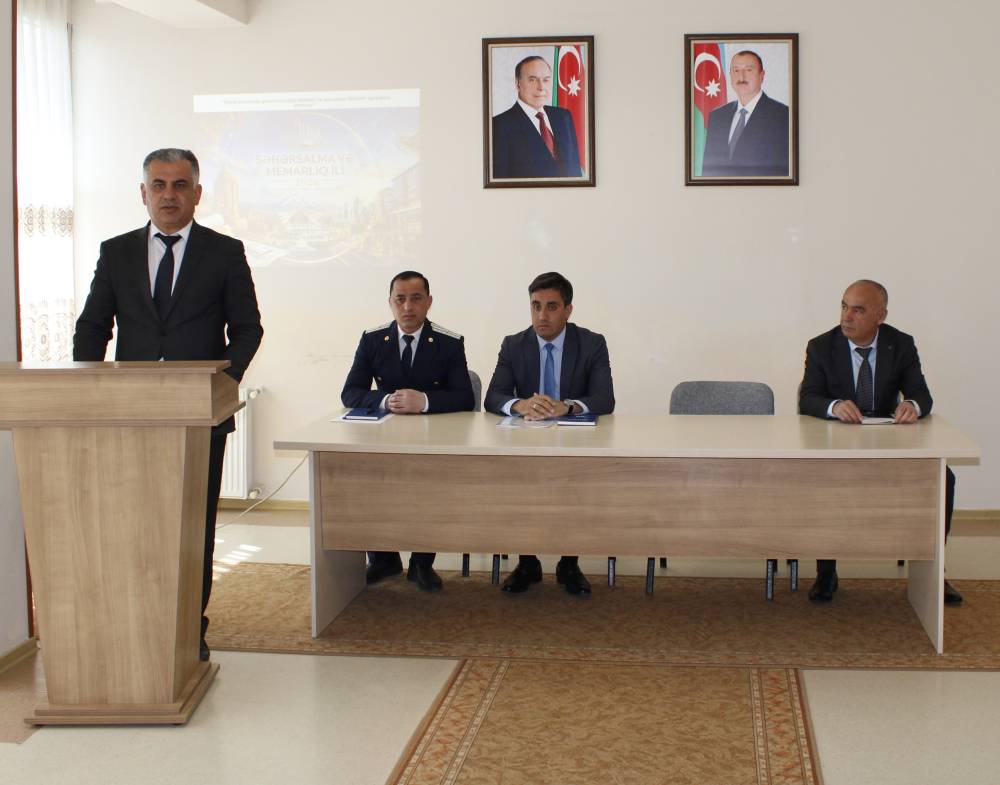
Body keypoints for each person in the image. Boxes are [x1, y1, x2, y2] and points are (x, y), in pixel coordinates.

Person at [73, 148, 264, 661]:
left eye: (180, 185)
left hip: (200, 418)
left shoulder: (224, 253)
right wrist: (86, 390)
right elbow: (93, 327)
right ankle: (137, 622)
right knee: (134, 525)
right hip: (129, 417)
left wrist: (220, 384)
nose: (168, 195)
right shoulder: (116, 252)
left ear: (197, 194)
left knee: (192, 528)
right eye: (158, 185)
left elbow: (248, 329)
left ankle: (187, 629)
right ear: (143, 193)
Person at [799, 279, 961, 604]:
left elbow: (921, 395)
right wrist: (834, 406)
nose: (846, 316)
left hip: (888, 441)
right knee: (822, 479)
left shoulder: (900, 344)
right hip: (837, 444)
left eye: (858, 310)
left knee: (942, 477)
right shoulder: (821, 346)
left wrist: (911, 405)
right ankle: (826, 571)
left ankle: (934, 572)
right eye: (844, 306)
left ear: (880, 316)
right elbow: (808, 398)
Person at [342, 271, 475, 591]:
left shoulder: (448, 343)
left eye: (416, 299)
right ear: (390, 303)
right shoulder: (373, 339)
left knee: (429, 489)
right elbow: (350, 392)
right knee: (367, 482)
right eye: (400, 299)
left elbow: (465, 397)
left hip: (433, 442)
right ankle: (383, 559)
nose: (407, 307)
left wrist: (424, 401)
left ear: (429, 302)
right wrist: (385, 400)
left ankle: (421, 563)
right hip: (383, 440)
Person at [485, 272, 615, 595]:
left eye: (552, 307)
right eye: (536, 306)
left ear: (568, 310)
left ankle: (569, 564)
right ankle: (527, 563)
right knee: (518, 485)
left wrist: (567, 407)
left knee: (576, 485)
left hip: (574, 443)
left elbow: (605, 399)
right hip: (527, 442)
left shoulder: (592, 343)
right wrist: (520, 405)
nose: (542, 315)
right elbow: (493, 396)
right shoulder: (514, 345)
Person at [491, 55, 582, 179]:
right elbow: (501, 182)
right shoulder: (499, 125)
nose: (541, 87)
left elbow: (575, 171)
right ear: (518, 84)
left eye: (546, 80)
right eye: (532, 80)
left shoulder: (563, 117)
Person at [701, 50, 789, 177]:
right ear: (730, 75)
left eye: (748, 70)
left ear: (762, 75)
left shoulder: (783, 116)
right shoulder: (717, 116)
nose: (741, 77)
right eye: (736, 70)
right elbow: (708, 171)